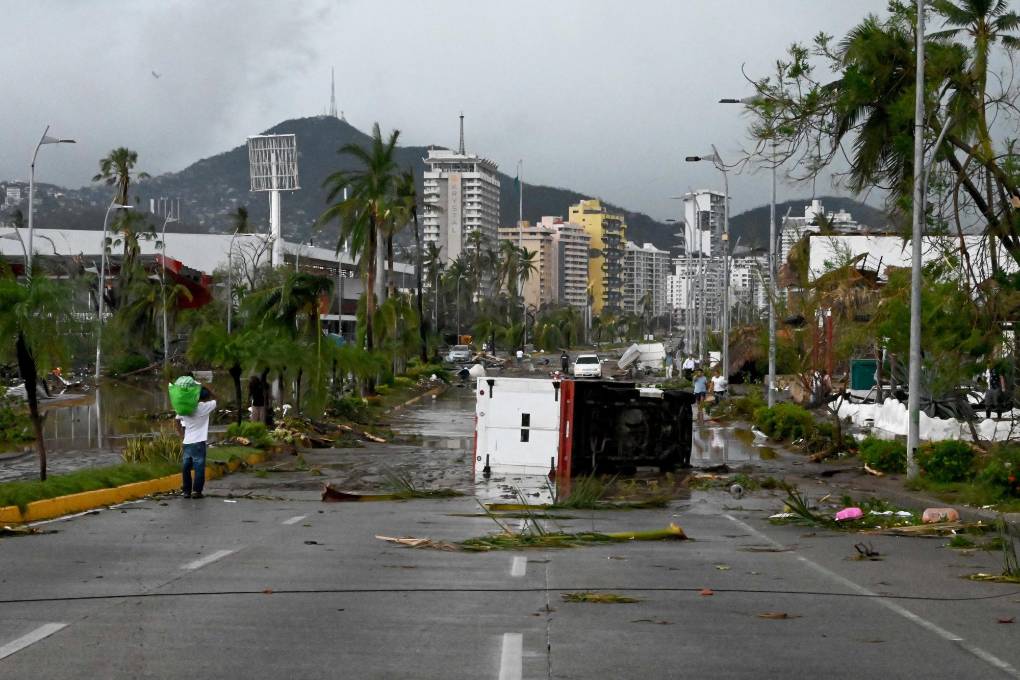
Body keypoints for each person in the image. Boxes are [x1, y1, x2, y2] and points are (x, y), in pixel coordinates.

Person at [175, 385, 217, 499]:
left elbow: (177, 420)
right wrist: (208, 388)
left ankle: (186, 491)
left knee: (186, 467)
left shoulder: (186, 407)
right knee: (199, 467)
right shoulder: (205, 407)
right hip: (199, 442)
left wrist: (181, 435)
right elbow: (217, 399)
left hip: (187, 442)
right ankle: (196, 491)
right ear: (204, 398)